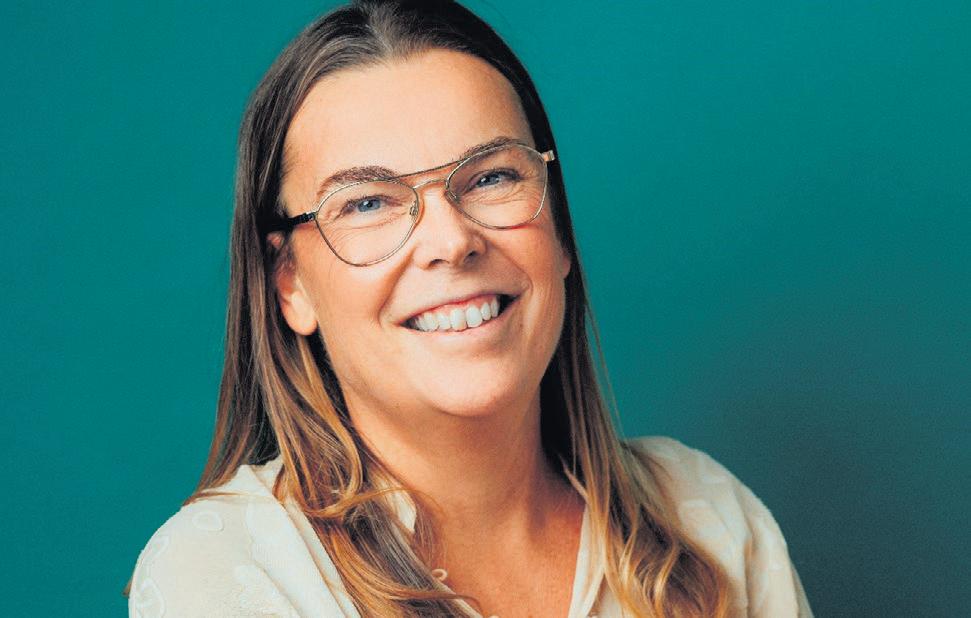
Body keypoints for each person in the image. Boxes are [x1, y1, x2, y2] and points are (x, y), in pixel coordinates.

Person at [127, 1, 813, 616]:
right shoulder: (229, 574)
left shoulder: (707, 519)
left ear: (559, 231)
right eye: (367, 203)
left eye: (491, 177)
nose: (451, 241)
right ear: (290, 284)